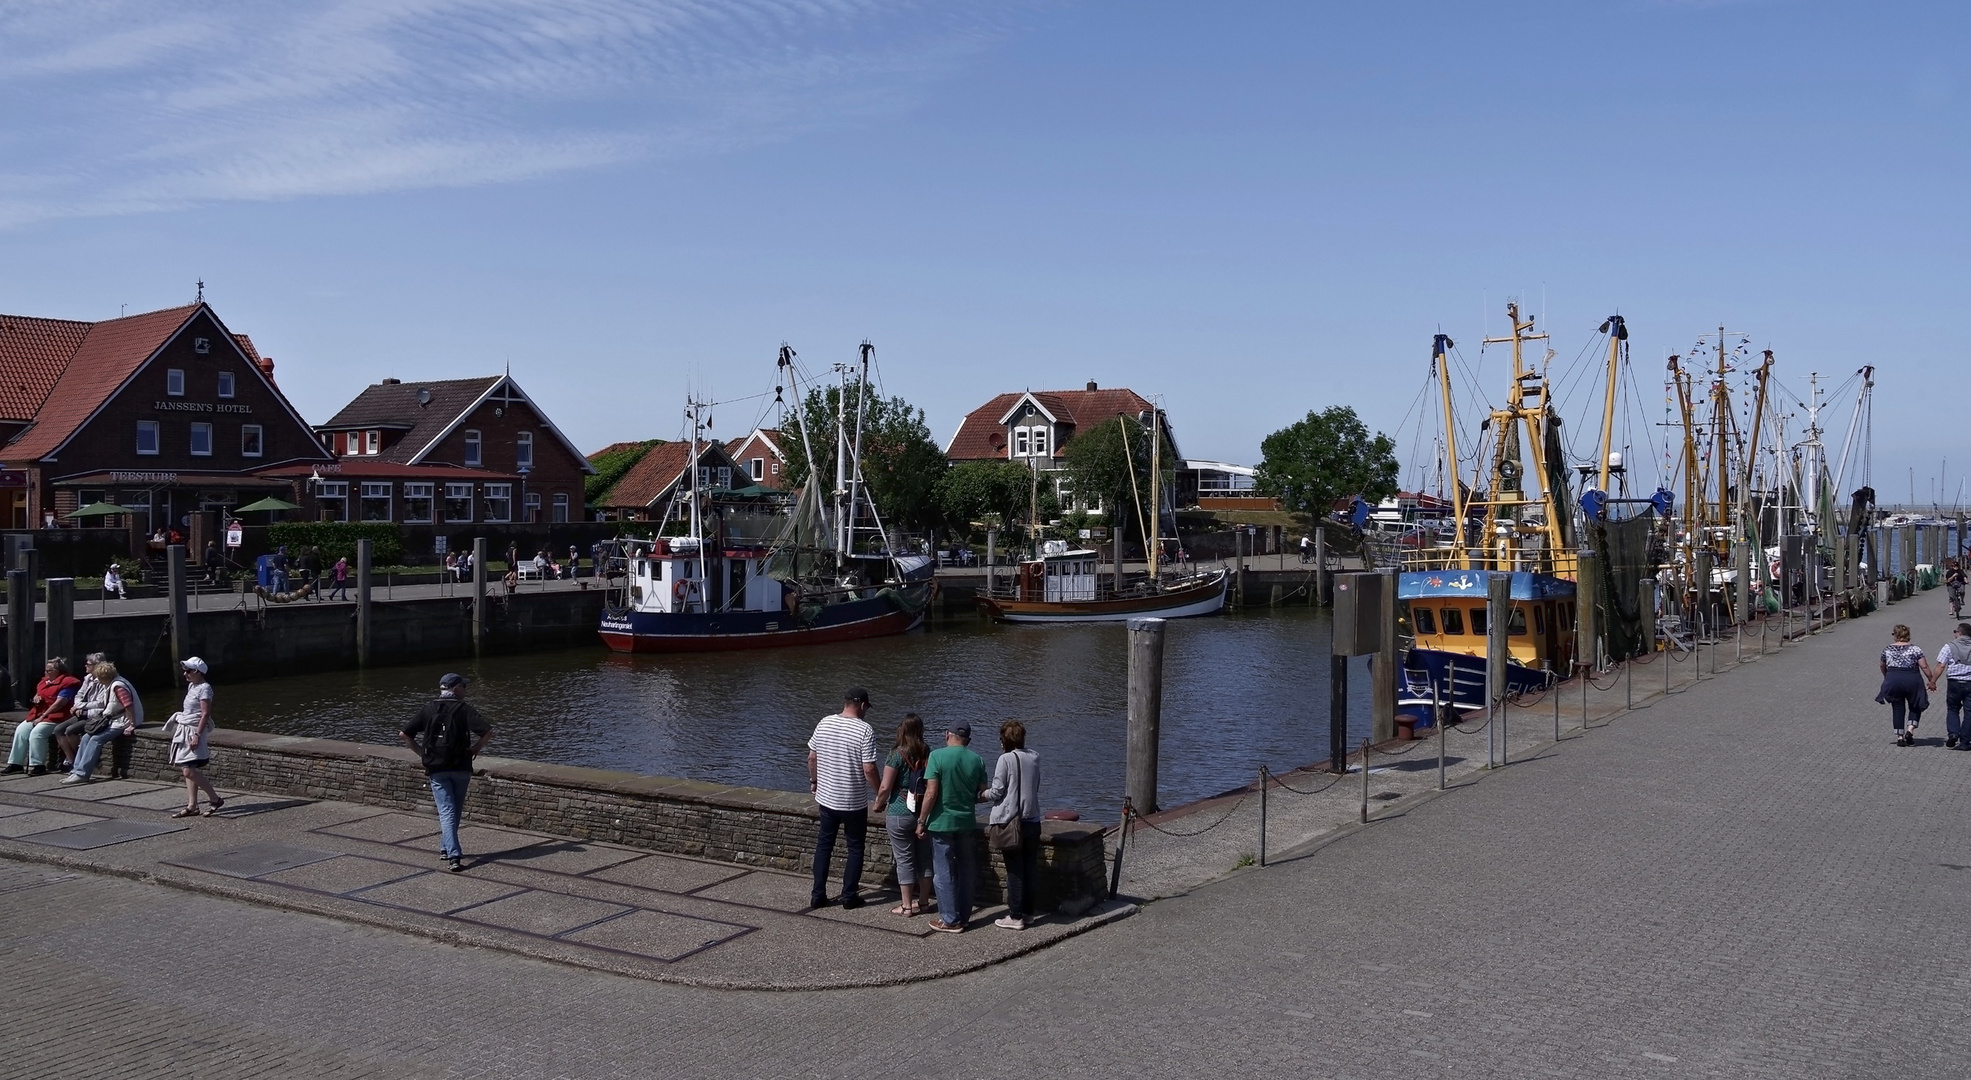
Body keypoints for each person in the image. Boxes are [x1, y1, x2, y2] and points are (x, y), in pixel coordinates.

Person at [399, 673, 493, 872]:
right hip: (461, 766)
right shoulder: (463, 709)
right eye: (464, 687)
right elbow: (487, 731)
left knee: (449, 810)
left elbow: (405, 734)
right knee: (453, 810)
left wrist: (423, 755)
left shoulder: (428, 709)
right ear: (455, 688)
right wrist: (476, 748)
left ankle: (445, 847)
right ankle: (454, 855)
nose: (466, 690)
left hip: (437, 768)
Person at [806, 687, 880, 909]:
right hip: (853, 802)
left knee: (824, 846)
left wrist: (814, 782)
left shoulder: (825, 722)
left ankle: (817, 895)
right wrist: (880, 793)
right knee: (855, 847)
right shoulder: (865, 730)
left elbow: (811, 758)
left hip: (827, 798)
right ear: (863, 705)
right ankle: (849, 896)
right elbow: (868, 769)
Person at [917, 721, 988, 933]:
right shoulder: (977, 760)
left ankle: (949, 919)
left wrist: (921, 821)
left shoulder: (937, 756)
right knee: (967, 869)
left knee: (944, 871)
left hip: (941, 823)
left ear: (947, 735)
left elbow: (931, 793)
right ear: (968, 739)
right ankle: (964, 917)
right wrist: (966, 798)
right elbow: (983, 793)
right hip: (966, 821)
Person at [870, 713, 934, 917]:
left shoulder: (896, 754)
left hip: (899, 811)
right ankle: (923, 902)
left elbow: (885, 786)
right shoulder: (928, 752)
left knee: (904, 860)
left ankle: (907, 906)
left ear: (902, 730)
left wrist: (878, 804)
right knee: (925, 859)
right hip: (923, 813)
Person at [981, 720, 1042, 930]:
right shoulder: (1034, 757)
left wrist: (981, 794)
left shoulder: (1005, 759)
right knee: (1030, 868)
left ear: (1004, 740)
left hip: (1013, 821)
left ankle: (1015, 917)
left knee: (1014, 870)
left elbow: (997, 791)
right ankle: (1029, 912)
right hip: (1033, 820)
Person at [65, 659, 142, 783]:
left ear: (104, 677)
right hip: (113, 719)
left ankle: (82, 774)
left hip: (122, 721)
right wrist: (82, 705)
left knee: (96, 739)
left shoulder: (118, 686)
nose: (98, 681)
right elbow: (104, 702)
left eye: (99, 678)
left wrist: (131, 725)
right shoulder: (111, 684)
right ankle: (76, 770)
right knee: (86, 737)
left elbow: (128, 706)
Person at [164, 658, 224, 816]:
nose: (185, 674)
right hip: (185, 730)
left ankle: (215, 798)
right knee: (187, 767)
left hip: (194, 731)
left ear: (198, 672)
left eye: (188, 671)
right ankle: (192, 806)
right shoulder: (192, 686)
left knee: (188, 771)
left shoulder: (205, 688)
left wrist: (197, 735)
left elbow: (205, 713)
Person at [5, 659, 80, 776]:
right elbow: (39, 692)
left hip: (57, 717)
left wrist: (43, 716)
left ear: (58, 671)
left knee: (37, 734)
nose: (46, 673)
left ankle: (38, 765)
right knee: (21, 730)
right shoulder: (44, 681)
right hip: (38, 714)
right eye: (45, 670)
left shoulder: (67, 683)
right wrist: (36, 697)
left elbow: (59, 703)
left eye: (49, 671)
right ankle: (15, 764)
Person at [54, 652, 110, 770]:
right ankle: (71, 758)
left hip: (95, 715)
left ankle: (78, 759)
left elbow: (100, 703)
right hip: (83, 712)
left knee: (70, 730)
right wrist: (77, 706)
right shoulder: (88, 679)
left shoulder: (103, 681)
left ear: (97, 665)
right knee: (58, 729)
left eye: (88, 664)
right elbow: (79, 694)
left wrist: (82, 707)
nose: (85, 666)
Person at [1878, 624, 1929, 747]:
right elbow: (1924, 666)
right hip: (1912, 679)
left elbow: (1882, 665)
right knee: (1916, 704)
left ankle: (1900, 737)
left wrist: (1887, 676)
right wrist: (1931, 680)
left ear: (1895, 635)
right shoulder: (1916, 649)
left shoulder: (1887, 649)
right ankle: (1910, 729)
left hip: (1894, 679)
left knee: (1897, 707)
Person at [1929, 622, 1971, 751]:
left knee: (1953, 709)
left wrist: (1933, 681)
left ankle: (1953, 733)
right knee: (1969, 713)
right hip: (1970, 683)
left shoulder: (1949, 646)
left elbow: (1941, 665)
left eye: (1955, 631)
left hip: (1954, 683)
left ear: (1959, 633)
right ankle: (1965, 741)